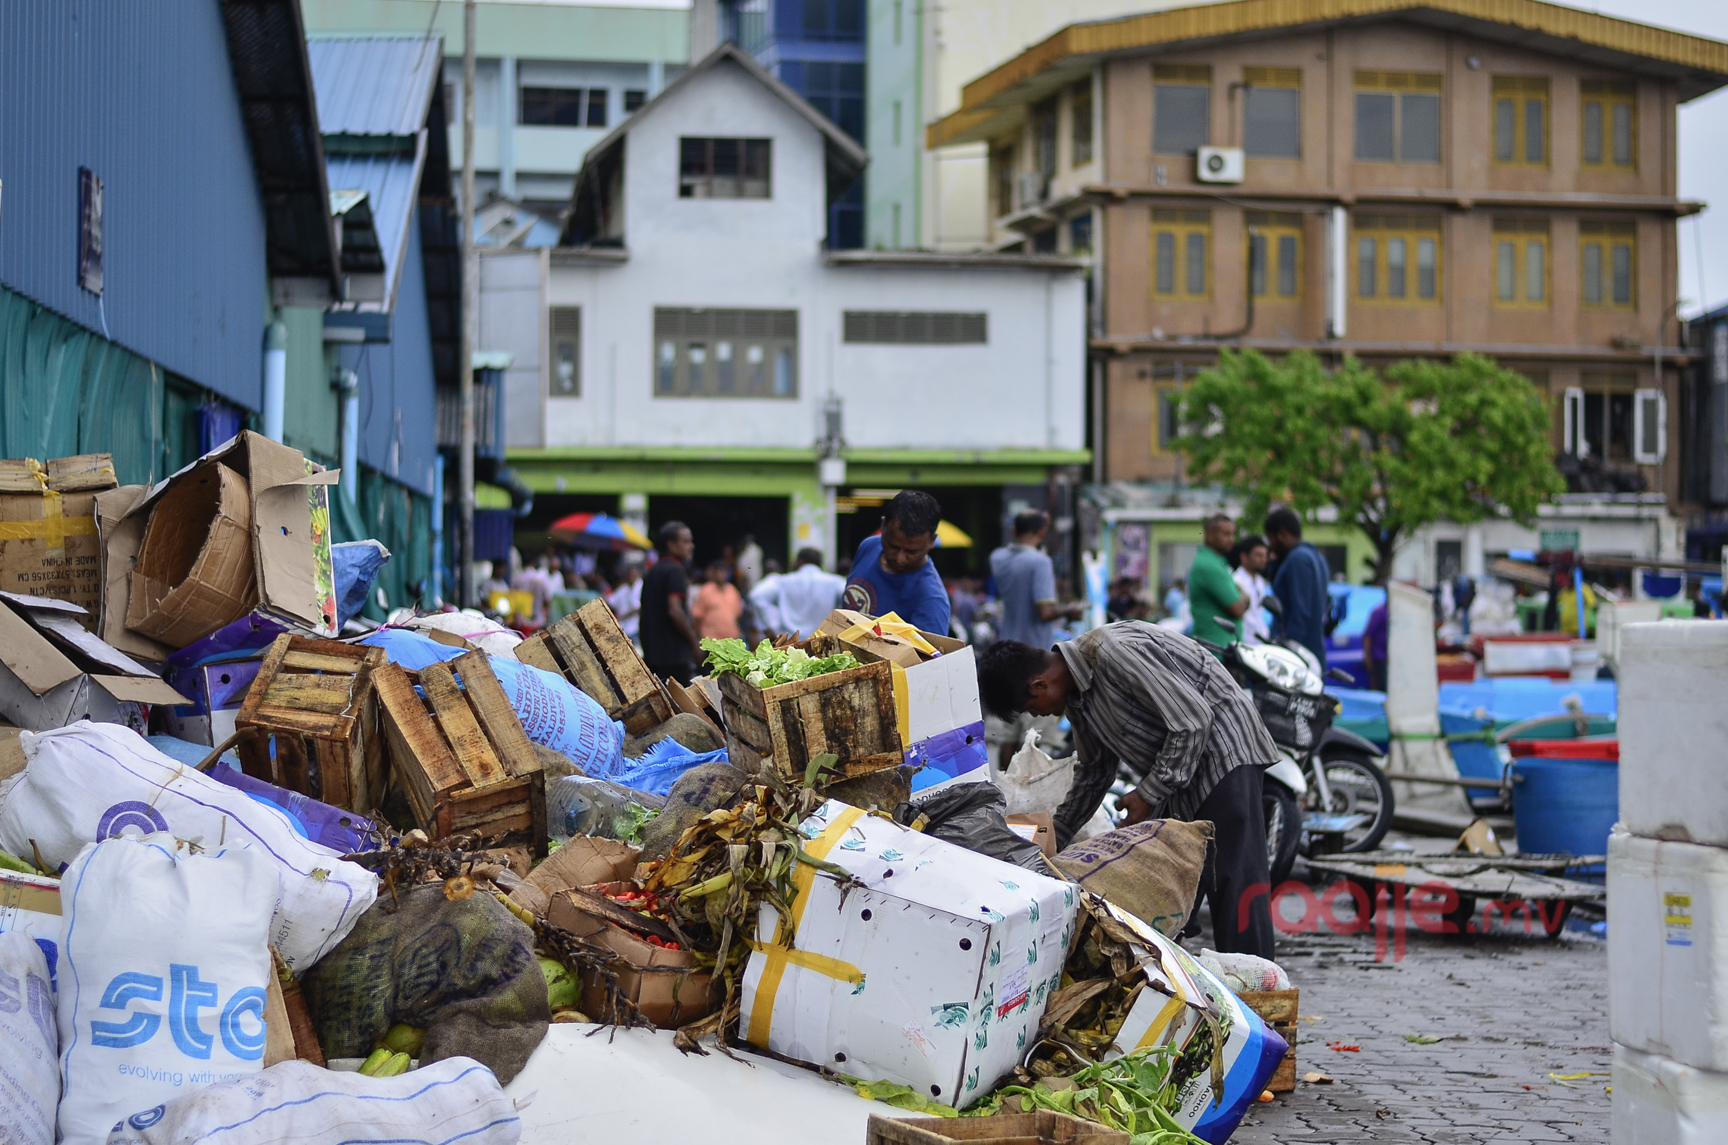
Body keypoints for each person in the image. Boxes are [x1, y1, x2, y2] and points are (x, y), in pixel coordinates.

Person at [977, 625, 1279, 958]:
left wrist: (1147, 794)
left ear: (1039, 684)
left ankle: (1259, 991)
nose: (1038, 715)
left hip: (1225, 751)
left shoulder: (1112, 652)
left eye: (1032, 708)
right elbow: (1095, 774)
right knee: (1170, 884)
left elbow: (1193, 721)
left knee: (1233, 881)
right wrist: (1048, 846)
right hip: (1180, 774)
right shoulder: (1078, 699)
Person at [841, 490, 950, 635]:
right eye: (893, 546)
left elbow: (929, 657)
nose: (899, 558)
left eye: (911, 552)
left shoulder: (932, 601)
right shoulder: (869, 546)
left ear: (932, 541)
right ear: (883, 525)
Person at [990, 511, 1085, 649]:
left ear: (1014, 531)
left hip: (1006, 643)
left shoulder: (997, 558)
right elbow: (1045, 612)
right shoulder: (1040, 562)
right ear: (1041, 533)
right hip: (1033, 648)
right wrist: (1069, 610)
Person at [1264, 506, 1331, 668]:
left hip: (1299, 656)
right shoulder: (1315, 556)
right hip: (1313, 651)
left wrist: (1289, 653)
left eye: (1271, 539)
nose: (1271, 546)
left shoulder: (1297, 560)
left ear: (1282, 534)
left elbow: (1300, 611)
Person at [639, 522, 701, 684]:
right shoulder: (675, 570)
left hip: (653, 655)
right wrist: (694, 642)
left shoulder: (652, 571)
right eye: (686, 541)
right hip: (674, 657)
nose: (691, 546)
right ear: (671, 544)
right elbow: (675, 610)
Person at [750, 547, 845, 638]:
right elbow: (852, 597)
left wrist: (773, 625)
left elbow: (757, 596)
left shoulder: (783, 581)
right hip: (823, 643)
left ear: (800, 562)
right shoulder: (834, 582)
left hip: (790, 643)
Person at [1187, 513, 1248, 649]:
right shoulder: (1210, 565)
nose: (1232, 539)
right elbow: (1237, 609)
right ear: (1210, 535)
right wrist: (1245, 597)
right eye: (1226, 534)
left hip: (1223, 647)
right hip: (1217, 650)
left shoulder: (1215, 561)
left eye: (1233, 534)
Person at [1232, 534, 1272, 646]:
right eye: (1258, 555)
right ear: (1244, 557)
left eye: (1265, 556)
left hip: (1261, 640)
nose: (1263, 560)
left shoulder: (1260, 581)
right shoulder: (1236, 581)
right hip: (1245, 642)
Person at [691, 562, 744, 640]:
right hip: (711, 641)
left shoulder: (732, 590)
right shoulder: (706, 591)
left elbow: (738, 616)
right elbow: (698, 617)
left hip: (730, 641)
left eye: (723, 572)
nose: (721, 575)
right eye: (718, 572)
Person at [607, 558, 643, 643]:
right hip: (623, 627)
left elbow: (637, 608)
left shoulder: (640, 587)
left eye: (633, 575)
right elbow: (611, 600)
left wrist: (621, 617)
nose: (631, 577)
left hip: (635, 628)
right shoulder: (624, 588)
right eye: (629, 575)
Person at [1362, 597, 1389, 692]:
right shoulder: (1380, 612)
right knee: (1380, 687)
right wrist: (1367, 657)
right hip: (1380, 658)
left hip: (1391, 658)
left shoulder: (1397, 612)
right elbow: (1368, 636)